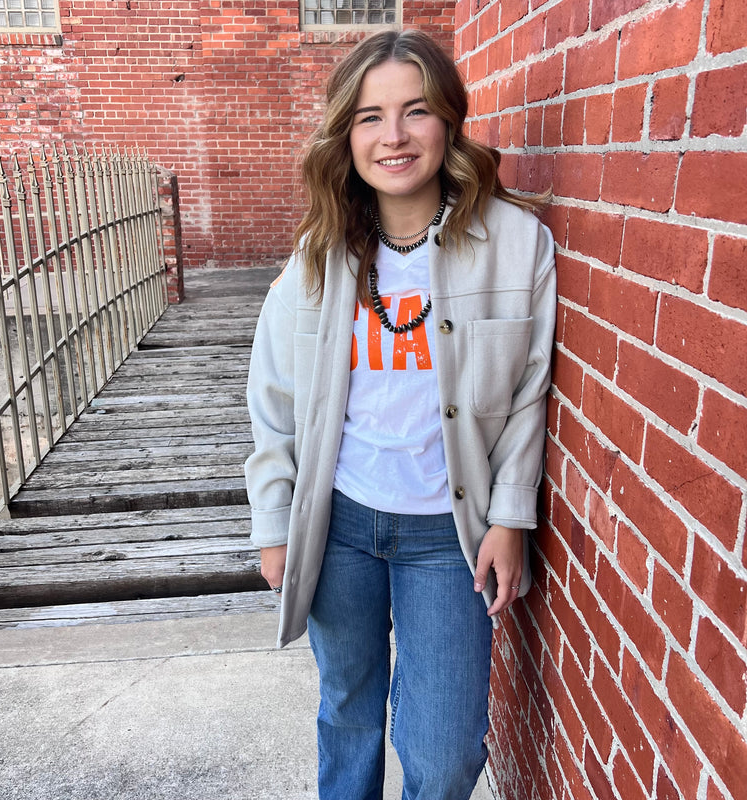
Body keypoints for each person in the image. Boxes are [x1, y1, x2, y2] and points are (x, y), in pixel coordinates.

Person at [245, 28, 556, 800]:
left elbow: (528, 394)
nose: (393, 136)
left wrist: (511, 516)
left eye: (415, 111)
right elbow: (275, 401)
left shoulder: (517, 246)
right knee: (348, 711)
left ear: (448, 121)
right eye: (369, 117)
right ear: (345, 135)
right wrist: (275, 524)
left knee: (444, 750)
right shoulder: (317, 258)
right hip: (340, 524)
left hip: (448, 539)